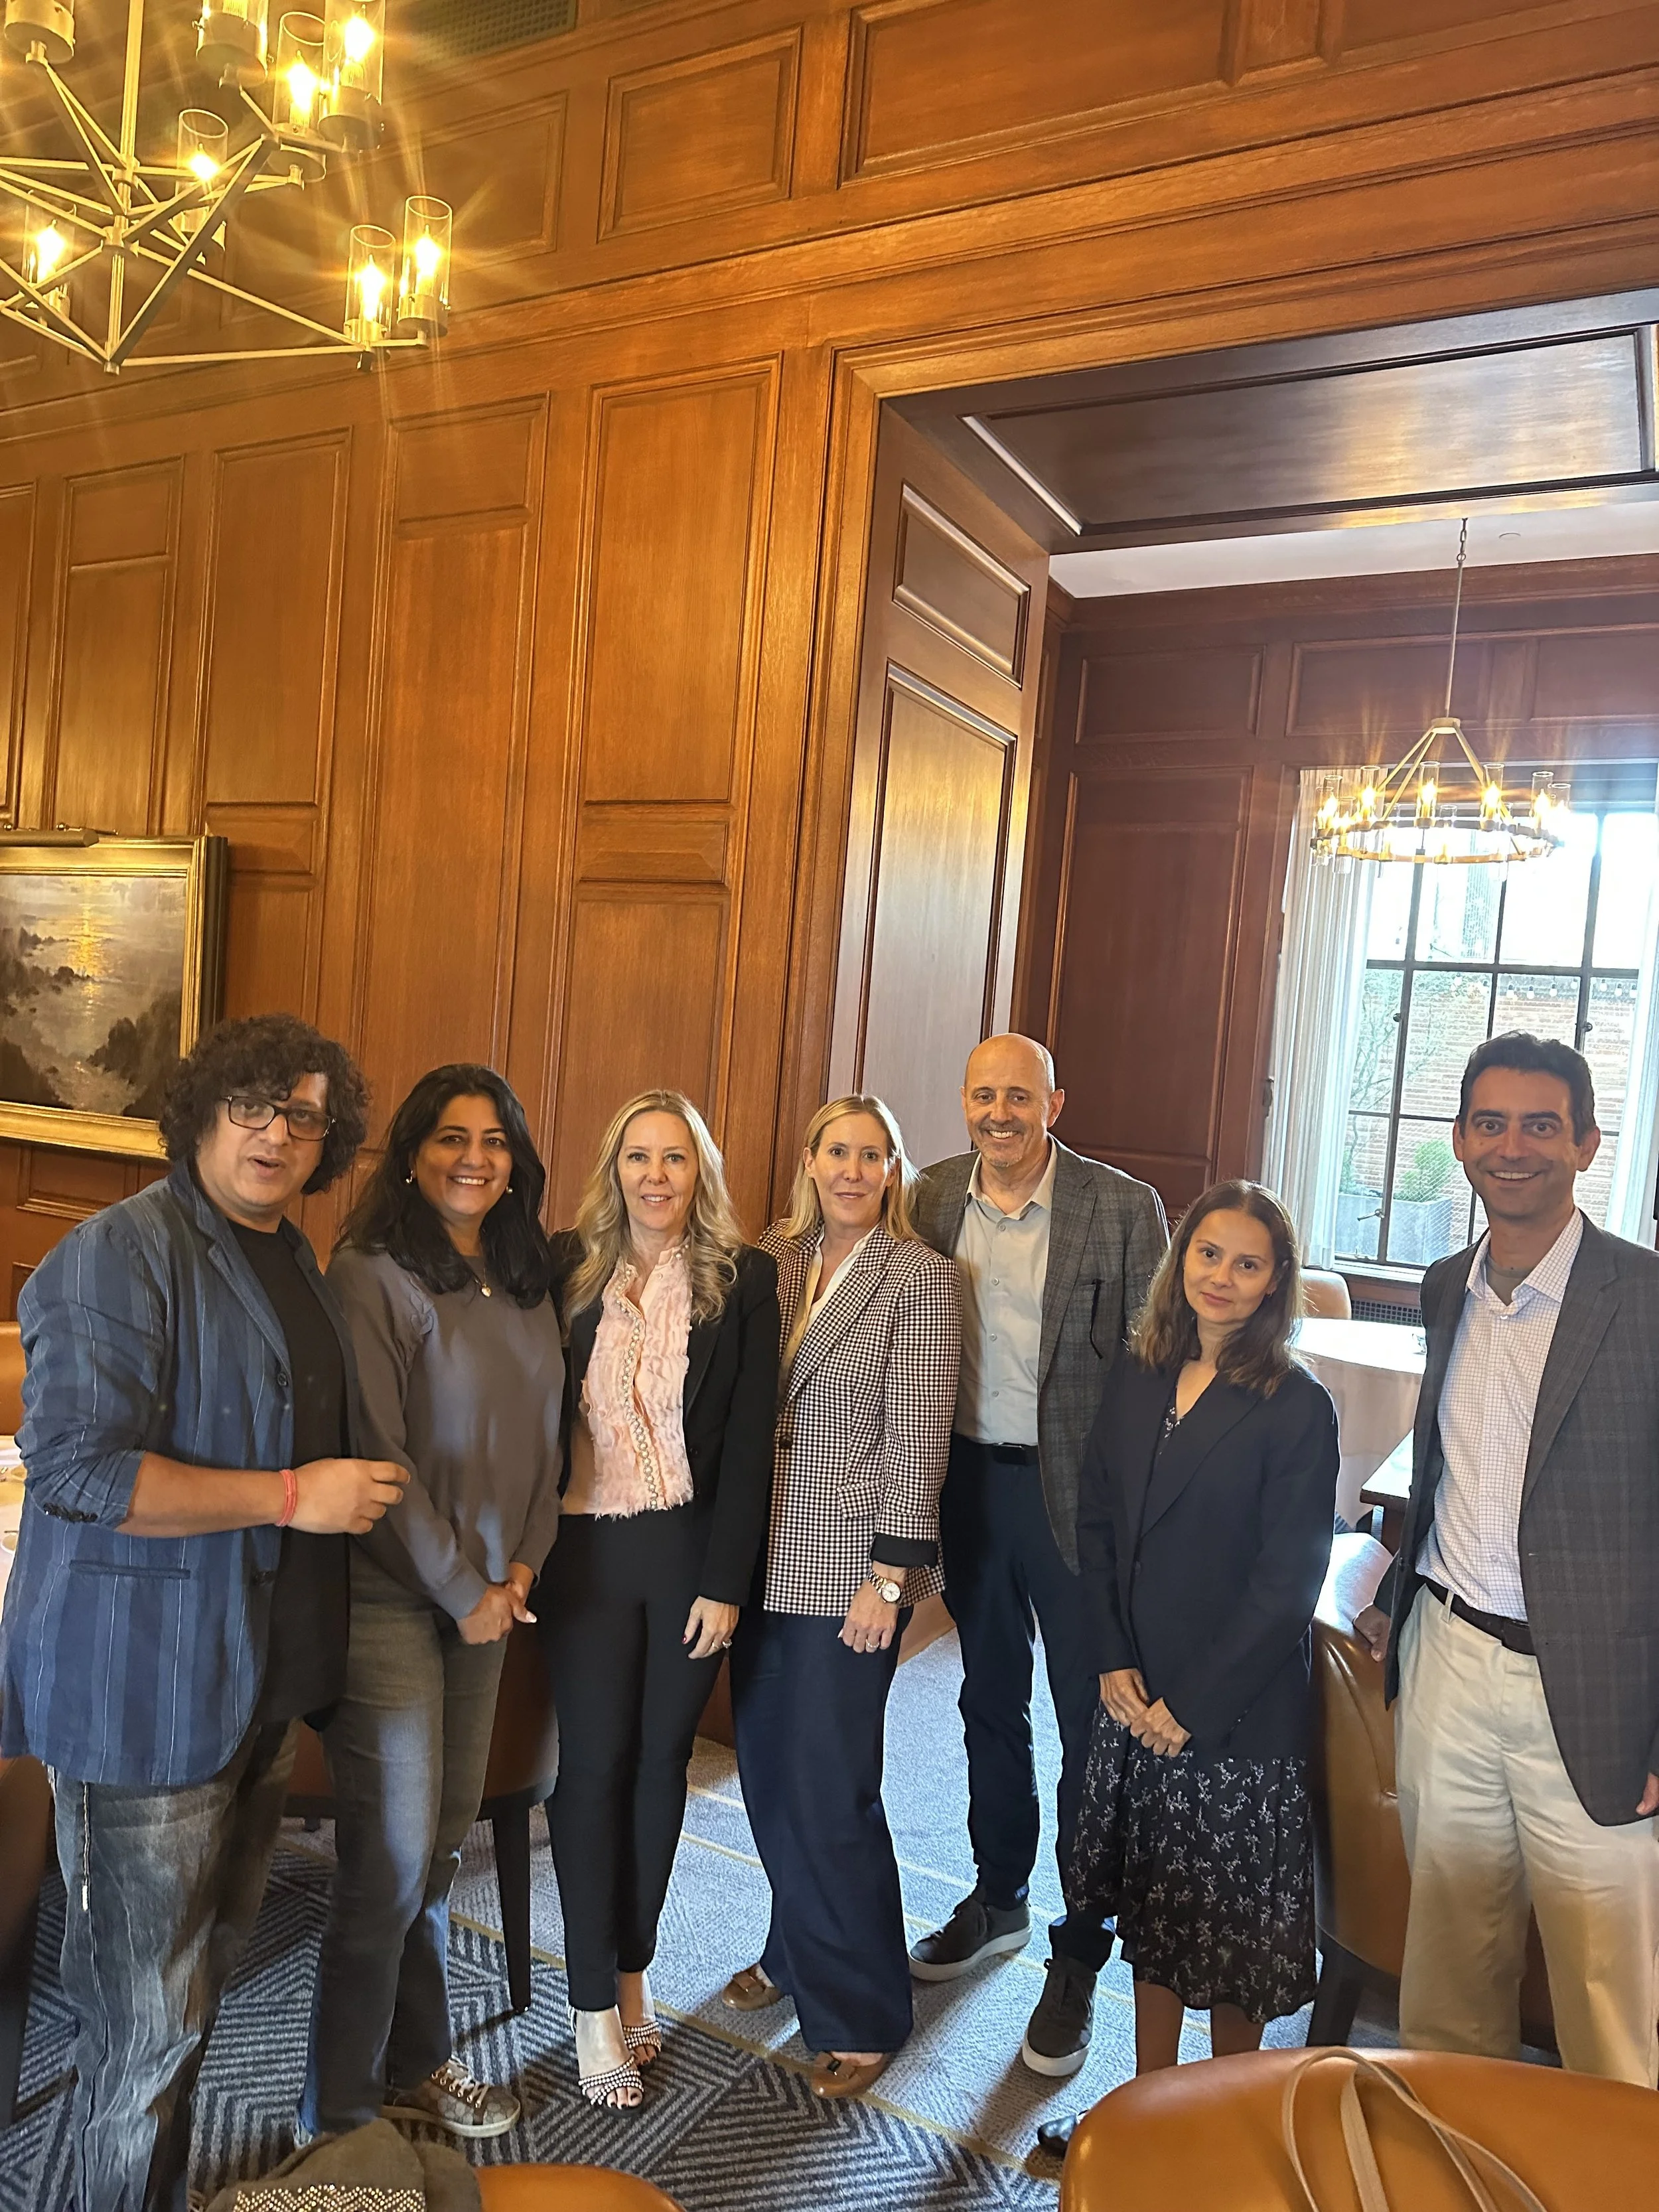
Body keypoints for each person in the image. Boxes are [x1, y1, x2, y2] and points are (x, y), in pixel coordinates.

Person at [0, 1013, 408, 2212]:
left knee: (193, 2002)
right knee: (140, 2036)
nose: (277, 1133)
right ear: (200, 1111)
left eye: (305, 1116)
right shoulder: (116, 1253)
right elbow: (78, 1471)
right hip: (145, 1697)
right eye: (253, 1105)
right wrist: (293, 1497)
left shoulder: (291, 1254)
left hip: (256, 1689)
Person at [1354, 1033, 1659, 2087]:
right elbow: (1452, 1468)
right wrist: (1401, 1592)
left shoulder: (1647, 1300)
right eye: (1491, 1123)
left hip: (1600, 1696)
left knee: (1608, 2004)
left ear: (1587, 1143)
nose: (1513, 1147)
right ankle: (1460, 2177)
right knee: (1446, 1979)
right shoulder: (1448, 1286)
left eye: (1541, 1125)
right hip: (1449, 1666)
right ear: (1461, 1142)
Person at [300, 1065, 566, 2141]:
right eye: (451, 1137)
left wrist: (520, 1571)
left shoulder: (529, 1272)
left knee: (446, 1844)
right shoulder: (369, 1272)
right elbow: (377, 1454)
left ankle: (419, 2059)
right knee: (391, 1859)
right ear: (412, 1153)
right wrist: (462, 1589)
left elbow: (552, 1437)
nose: (474, 1157)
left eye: (495, 1139)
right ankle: (340, 2115)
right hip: (396, 1602)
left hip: (496, 1601)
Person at [907, 1033, 1167, 2080]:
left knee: (1089, 1725)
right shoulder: (925, 1197)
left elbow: (1158, 1368)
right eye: (983, 1095)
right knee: (986, 1701)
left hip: (1081, 1503)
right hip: (969, 1482)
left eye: (1019, 1095)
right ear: (963, 1102)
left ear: (1055, 1102)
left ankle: (1079, 1949)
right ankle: (999, 1895)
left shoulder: (1121, 1207)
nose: (1000, 1113)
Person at [1066, 1180, 1338, 2081]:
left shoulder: (1297, 1405)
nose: (1221, 1277)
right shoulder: (1141, 1370)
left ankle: (1222, 2125)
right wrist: (1110, 1655)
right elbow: (1098, 1520)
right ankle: (1149, 2105)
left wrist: (1192, 1706)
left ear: (1275, 1283)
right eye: (1207, 1253)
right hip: (1133, 1690)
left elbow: (1289, 1582)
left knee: (1229, 1946)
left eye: (1247, 1263)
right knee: (1153, 1918)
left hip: (1233, 1718)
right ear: (1181, 1257)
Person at [545, 1089, 778, 2110]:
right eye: (637, 1157)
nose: (654, 1176)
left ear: (700, 1173)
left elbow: (748, 1443)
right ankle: (592, 2003)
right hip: (586, 1552)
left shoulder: (744, 1281)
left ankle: (632, 1974)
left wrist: (727, 1584)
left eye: (674, 1159)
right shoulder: (568, 1269)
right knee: (590, 1769)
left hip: (689, 1554)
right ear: (615, 1170)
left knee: (659, 1770)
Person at [723, 1095, 960, 2098]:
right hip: (753, 1556)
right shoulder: (769, 1262)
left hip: (850, 1569)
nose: (853, 1170)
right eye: (837, 1152)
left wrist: (890, 1578)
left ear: (894, 1171)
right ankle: (793, 1946)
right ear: (810, 1161)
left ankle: (863, 2005)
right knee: (772, 1771)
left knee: (830, 1786)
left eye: (874, 1154)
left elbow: (919, 1434)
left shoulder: (922, 1279)